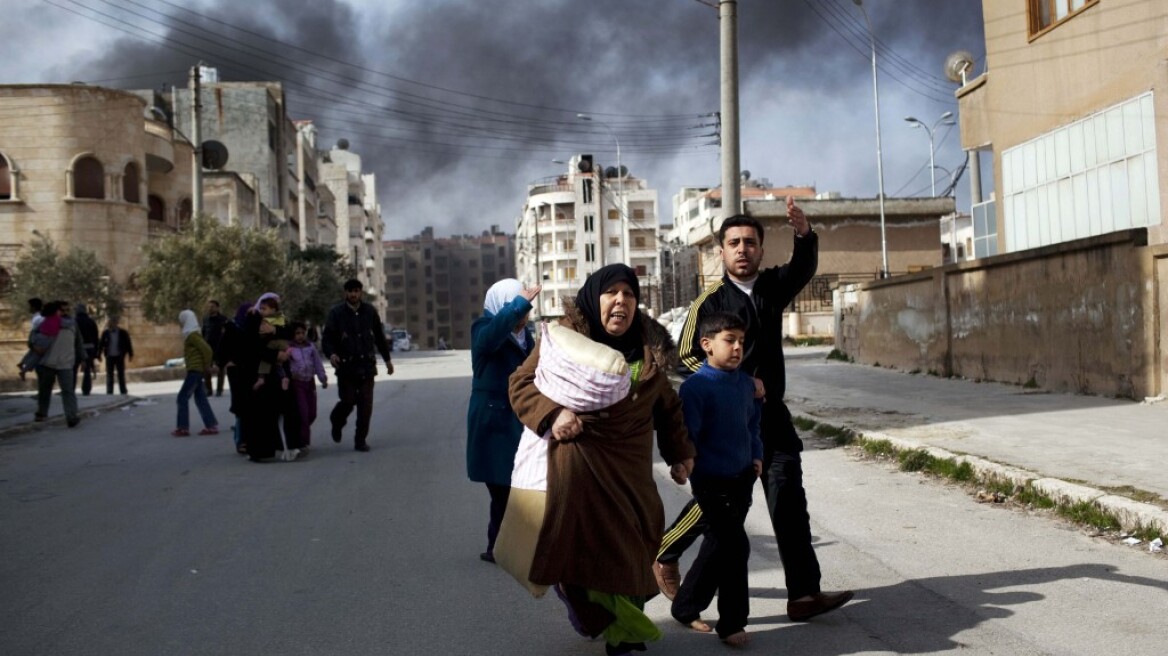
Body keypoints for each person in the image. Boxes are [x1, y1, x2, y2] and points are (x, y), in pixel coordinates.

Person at [654, 198, 854, 622]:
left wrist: (804, 235)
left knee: (788, 502)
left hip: (772, 419)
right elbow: (683, 358)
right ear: (721, 252)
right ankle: (666, 551)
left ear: (761, 249)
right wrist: (737, 380)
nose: (742, 249)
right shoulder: (708, 302)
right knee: (722, 504)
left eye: (749, 242)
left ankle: (803, 594)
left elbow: (803, 269)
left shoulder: (772, 287)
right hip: (727, 423)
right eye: (733, 243)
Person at [508, 264, 695, 656]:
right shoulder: (562, 340)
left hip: (631, 468)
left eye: (628, 295)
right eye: (611, 293)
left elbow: (668, 407)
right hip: (580, 465)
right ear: (594, 298)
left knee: (637, 543)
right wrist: (553, 415)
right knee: (593, 548)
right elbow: (521, 384)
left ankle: (613, 619)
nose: (620, 302)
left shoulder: (651, 347)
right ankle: (624, 633)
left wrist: (680, 453)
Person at [669, 312, 762, 647]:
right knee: (737, 545)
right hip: (710, 481)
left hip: (742, 478)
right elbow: (686, 435)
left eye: (741, 341)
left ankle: (685, 606)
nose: (737, 347)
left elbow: (752, 424)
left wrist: (757, 455)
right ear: (706, 345)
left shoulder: (746, 384)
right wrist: (682, 464)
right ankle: (733, 623)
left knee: (718, 545)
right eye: (729, 340)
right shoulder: (697, 388)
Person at [465, 279, 539, 563]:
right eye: (518, 310)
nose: (523, 317)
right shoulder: (483, 329)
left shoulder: (526, 336)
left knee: (515, 486)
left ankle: (499, 545)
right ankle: (502, 546)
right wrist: (518, 305)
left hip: (519, 419)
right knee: (502, 487)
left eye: (525, 311)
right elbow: (494, 335)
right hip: (493, 421)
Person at [322, 279, 393, 452]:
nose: (353, 294)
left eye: (356, 291)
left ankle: (360, 440)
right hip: (346, 367)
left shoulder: (369, 311)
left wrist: (387, 360)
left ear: (361, 292)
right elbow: (327, 338)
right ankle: (337, 421)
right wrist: (331, 354)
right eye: (350, 291)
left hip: (367, 367)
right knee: (347, 401)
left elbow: (379, 336)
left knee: (365, 407)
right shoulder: (336, 313)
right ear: (345, 293)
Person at [35, 300, 84, 427]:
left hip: (66, 364)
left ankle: (71, 416)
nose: (66, 313)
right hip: (48, 363)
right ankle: (42, 413)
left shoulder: (73, 325)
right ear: (57, 311)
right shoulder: (45, 323)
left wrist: (83, 358)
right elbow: (33, 339)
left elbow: (78, 343)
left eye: (68, 310)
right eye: (63, 310)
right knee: (45, 391)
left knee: (68, 391)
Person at [173, 309, 219, 437]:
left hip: (195, 370)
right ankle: (211, 426)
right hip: (196, 370)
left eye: (182, 320)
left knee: (182, 397)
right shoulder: (192, 334)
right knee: (200, 398)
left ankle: (183, 428)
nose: (181, 323)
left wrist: (207, 366)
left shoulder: (192, 335)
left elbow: (207, 350)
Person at [287, 321, 328, 452]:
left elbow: (317, 364)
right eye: (297, 333)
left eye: (302, 333)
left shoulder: (310, 347)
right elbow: (285, 365)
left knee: (312, 413)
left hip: (309, 383)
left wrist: (323, 378)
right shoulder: (289, 348)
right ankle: (303, 441)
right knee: (303, 413)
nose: (300, 336)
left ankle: (301, 431)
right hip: (297, 384)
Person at [18, 301, 64, 381]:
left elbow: (35, 330)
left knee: (33, 352)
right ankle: (24, 369)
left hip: (40, 337)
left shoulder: (45, 318)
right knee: (38, 355)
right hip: (47, 338)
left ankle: (23, 363)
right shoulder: (54, 319)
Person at [251, 294, 289, 391]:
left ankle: (263, 378)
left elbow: (287, 331)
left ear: (273, 309)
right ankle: (281, 377)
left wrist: (273, 330)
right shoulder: (277, 317)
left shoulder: (273, 319)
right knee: (274, 363)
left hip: (276, 344)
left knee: (270, 362)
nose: (261, 311)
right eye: (260, 308)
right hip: (277, 346)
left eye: (264, 309)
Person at [97, 316, 133, 395]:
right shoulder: (105, 333)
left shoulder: (123, 333)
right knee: (109, 375)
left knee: (121, 374)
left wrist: (130, 354)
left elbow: (128, 344)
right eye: (110, 323)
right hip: (109, 356)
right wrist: (98, 355)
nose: (111, 324)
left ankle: (123, 390)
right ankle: (110, 391)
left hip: (119, 356)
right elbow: (101, 344)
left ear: (116, 323)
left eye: (113, 322)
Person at [202, 300, 228, 397]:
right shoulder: (205, 319)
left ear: (217, 307)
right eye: (209, 306)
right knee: (206, 369)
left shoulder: (223, 319)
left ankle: (219, 390)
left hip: (220, 347)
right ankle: (209, 390)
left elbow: (227, 333)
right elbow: (203, 332)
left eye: (212, 306)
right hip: (208, 348)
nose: (210, 308)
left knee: (220, 369)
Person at [73, 303, 99, 396]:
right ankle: (86, 390)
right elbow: (96, 337)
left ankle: (71, 389)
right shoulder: (91, 321)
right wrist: (96, 352)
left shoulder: (74, 321)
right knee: (87, 370)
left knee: (74, 369)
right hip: (90, 348)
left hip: (76, 349)